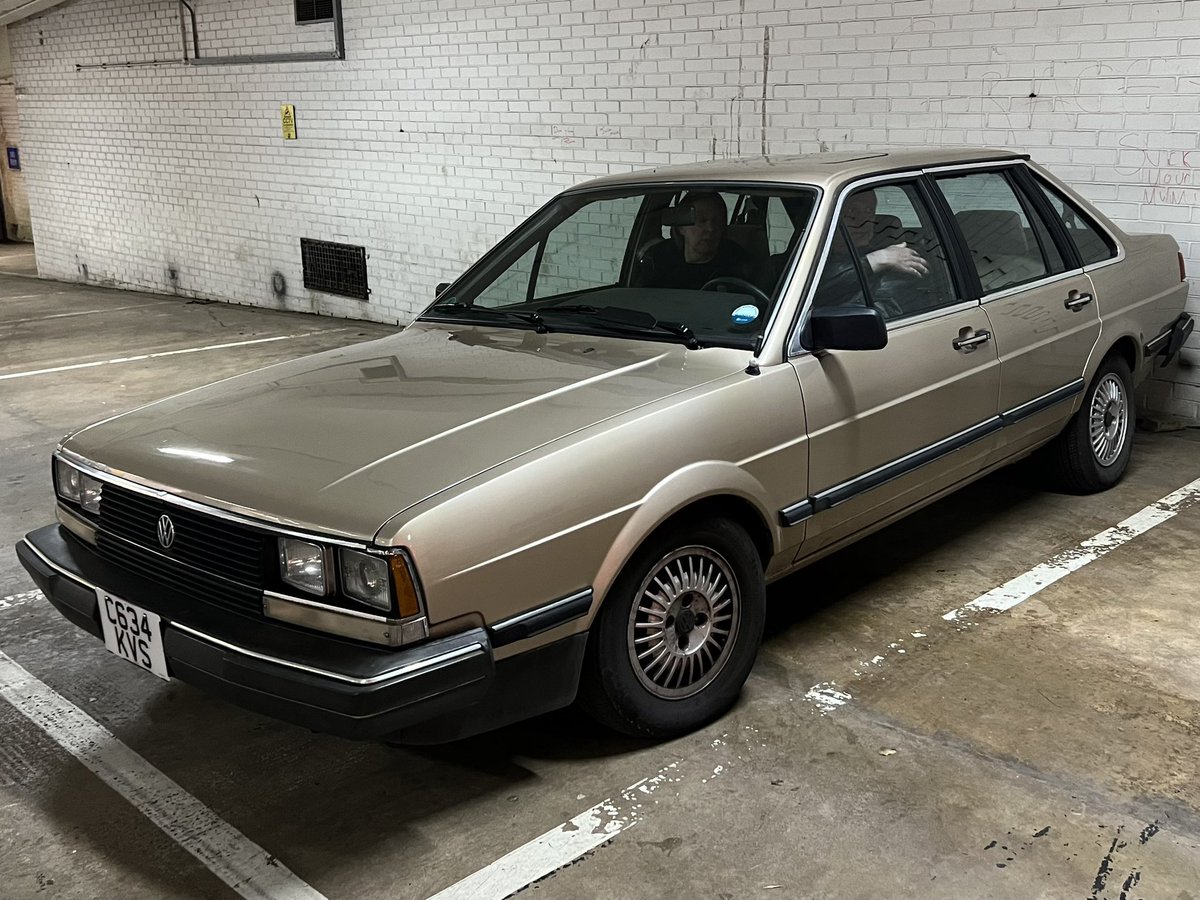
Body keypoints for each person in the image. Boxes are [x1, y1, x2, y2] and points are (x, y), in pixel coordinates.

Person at [813, 188, 929, 313]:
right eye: (852, 211)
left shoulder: (898, 265)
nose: (863, 220)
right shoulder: (807, 259)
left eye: (869, 211)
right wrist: (875, 260)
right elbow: (812, 292)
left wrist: (877, 261)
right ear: (830, 219)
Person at [633, 192, 754, 290]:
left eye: (718, 221)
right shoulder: (658, 259)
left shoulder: (736, 261)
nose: (711, 228)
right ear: (681, 227)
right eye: (701, 220)